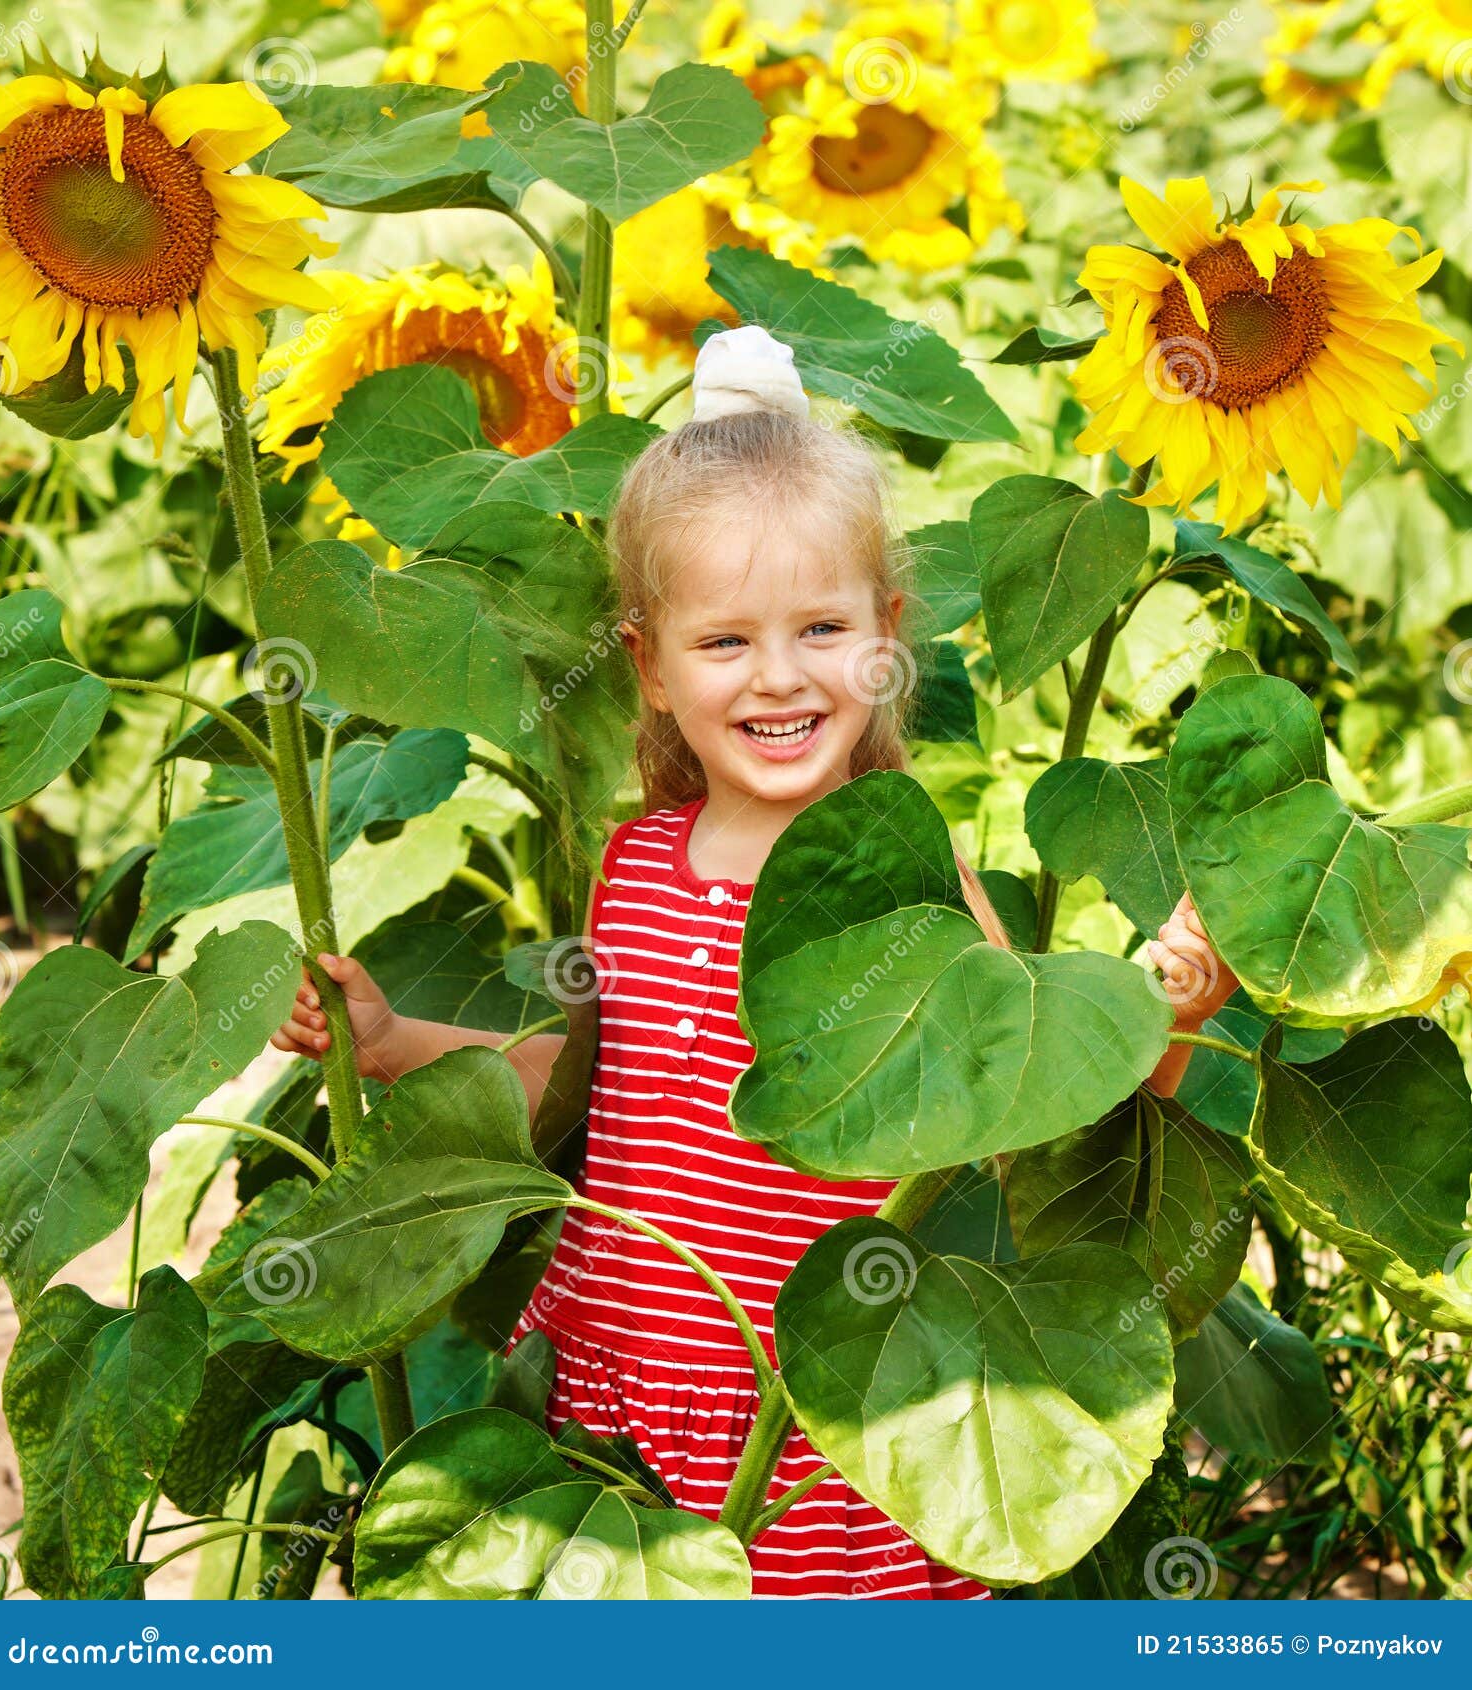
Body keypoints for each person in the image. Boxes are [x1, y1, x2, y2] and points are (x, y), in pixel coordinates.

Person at [271, 324, 1238, 1598]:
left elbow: (1034, 1122)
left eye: (822, 627)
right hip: (633, 1396)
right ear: (649, 667)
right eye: (724, 642)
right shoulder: (637, 865)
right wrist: (397, 1044)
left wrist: (1161, 1013)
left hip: (822, 1416)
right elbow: (598, 1105)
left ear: (887, 632)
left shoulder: (909, 876)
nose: (778, 676)